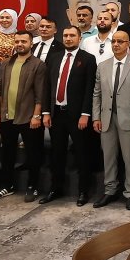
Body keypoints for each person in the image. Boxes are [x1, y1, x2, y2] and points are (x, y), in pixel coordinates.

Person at [40, 26, 98, 206]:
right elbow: (47, 86)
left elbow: (90, 89)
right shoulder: (54, 58)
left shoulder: (88, 59)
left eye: (72, 35)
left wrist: (85, 114)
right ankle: (55, 188)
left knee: (82, 154)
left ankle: (83, 191)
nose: (68, 38)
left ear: (79, 38)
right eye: (65, 35)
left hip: (78, 115)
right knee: (57, 153)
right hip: (56, 113)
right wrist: (46, 112)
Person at [92, 31, 130, 211]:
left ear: (128, 44)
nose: (116, 44)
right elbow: (97, 93)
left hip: (129, 119)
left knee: (129, 158)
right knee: (108, 157)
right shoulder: (103, 66)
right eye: (114, 41)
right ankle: (110, 190)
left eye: (120, 41)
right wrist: (96, 117)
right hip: (106, 118)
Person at [0, 31, 48, 202]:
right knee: (7, 153)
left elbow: (40, 93)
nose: (20, 44)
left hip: (29, 117)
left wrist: (36, 115)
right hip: (7, 116)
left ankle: (33, 186)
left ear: (31, 43)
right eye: (17, 41)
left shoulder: (39, 65)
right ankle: (7, 186)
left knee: (33, 154)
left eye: (24, 41)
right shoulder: (5, 63)